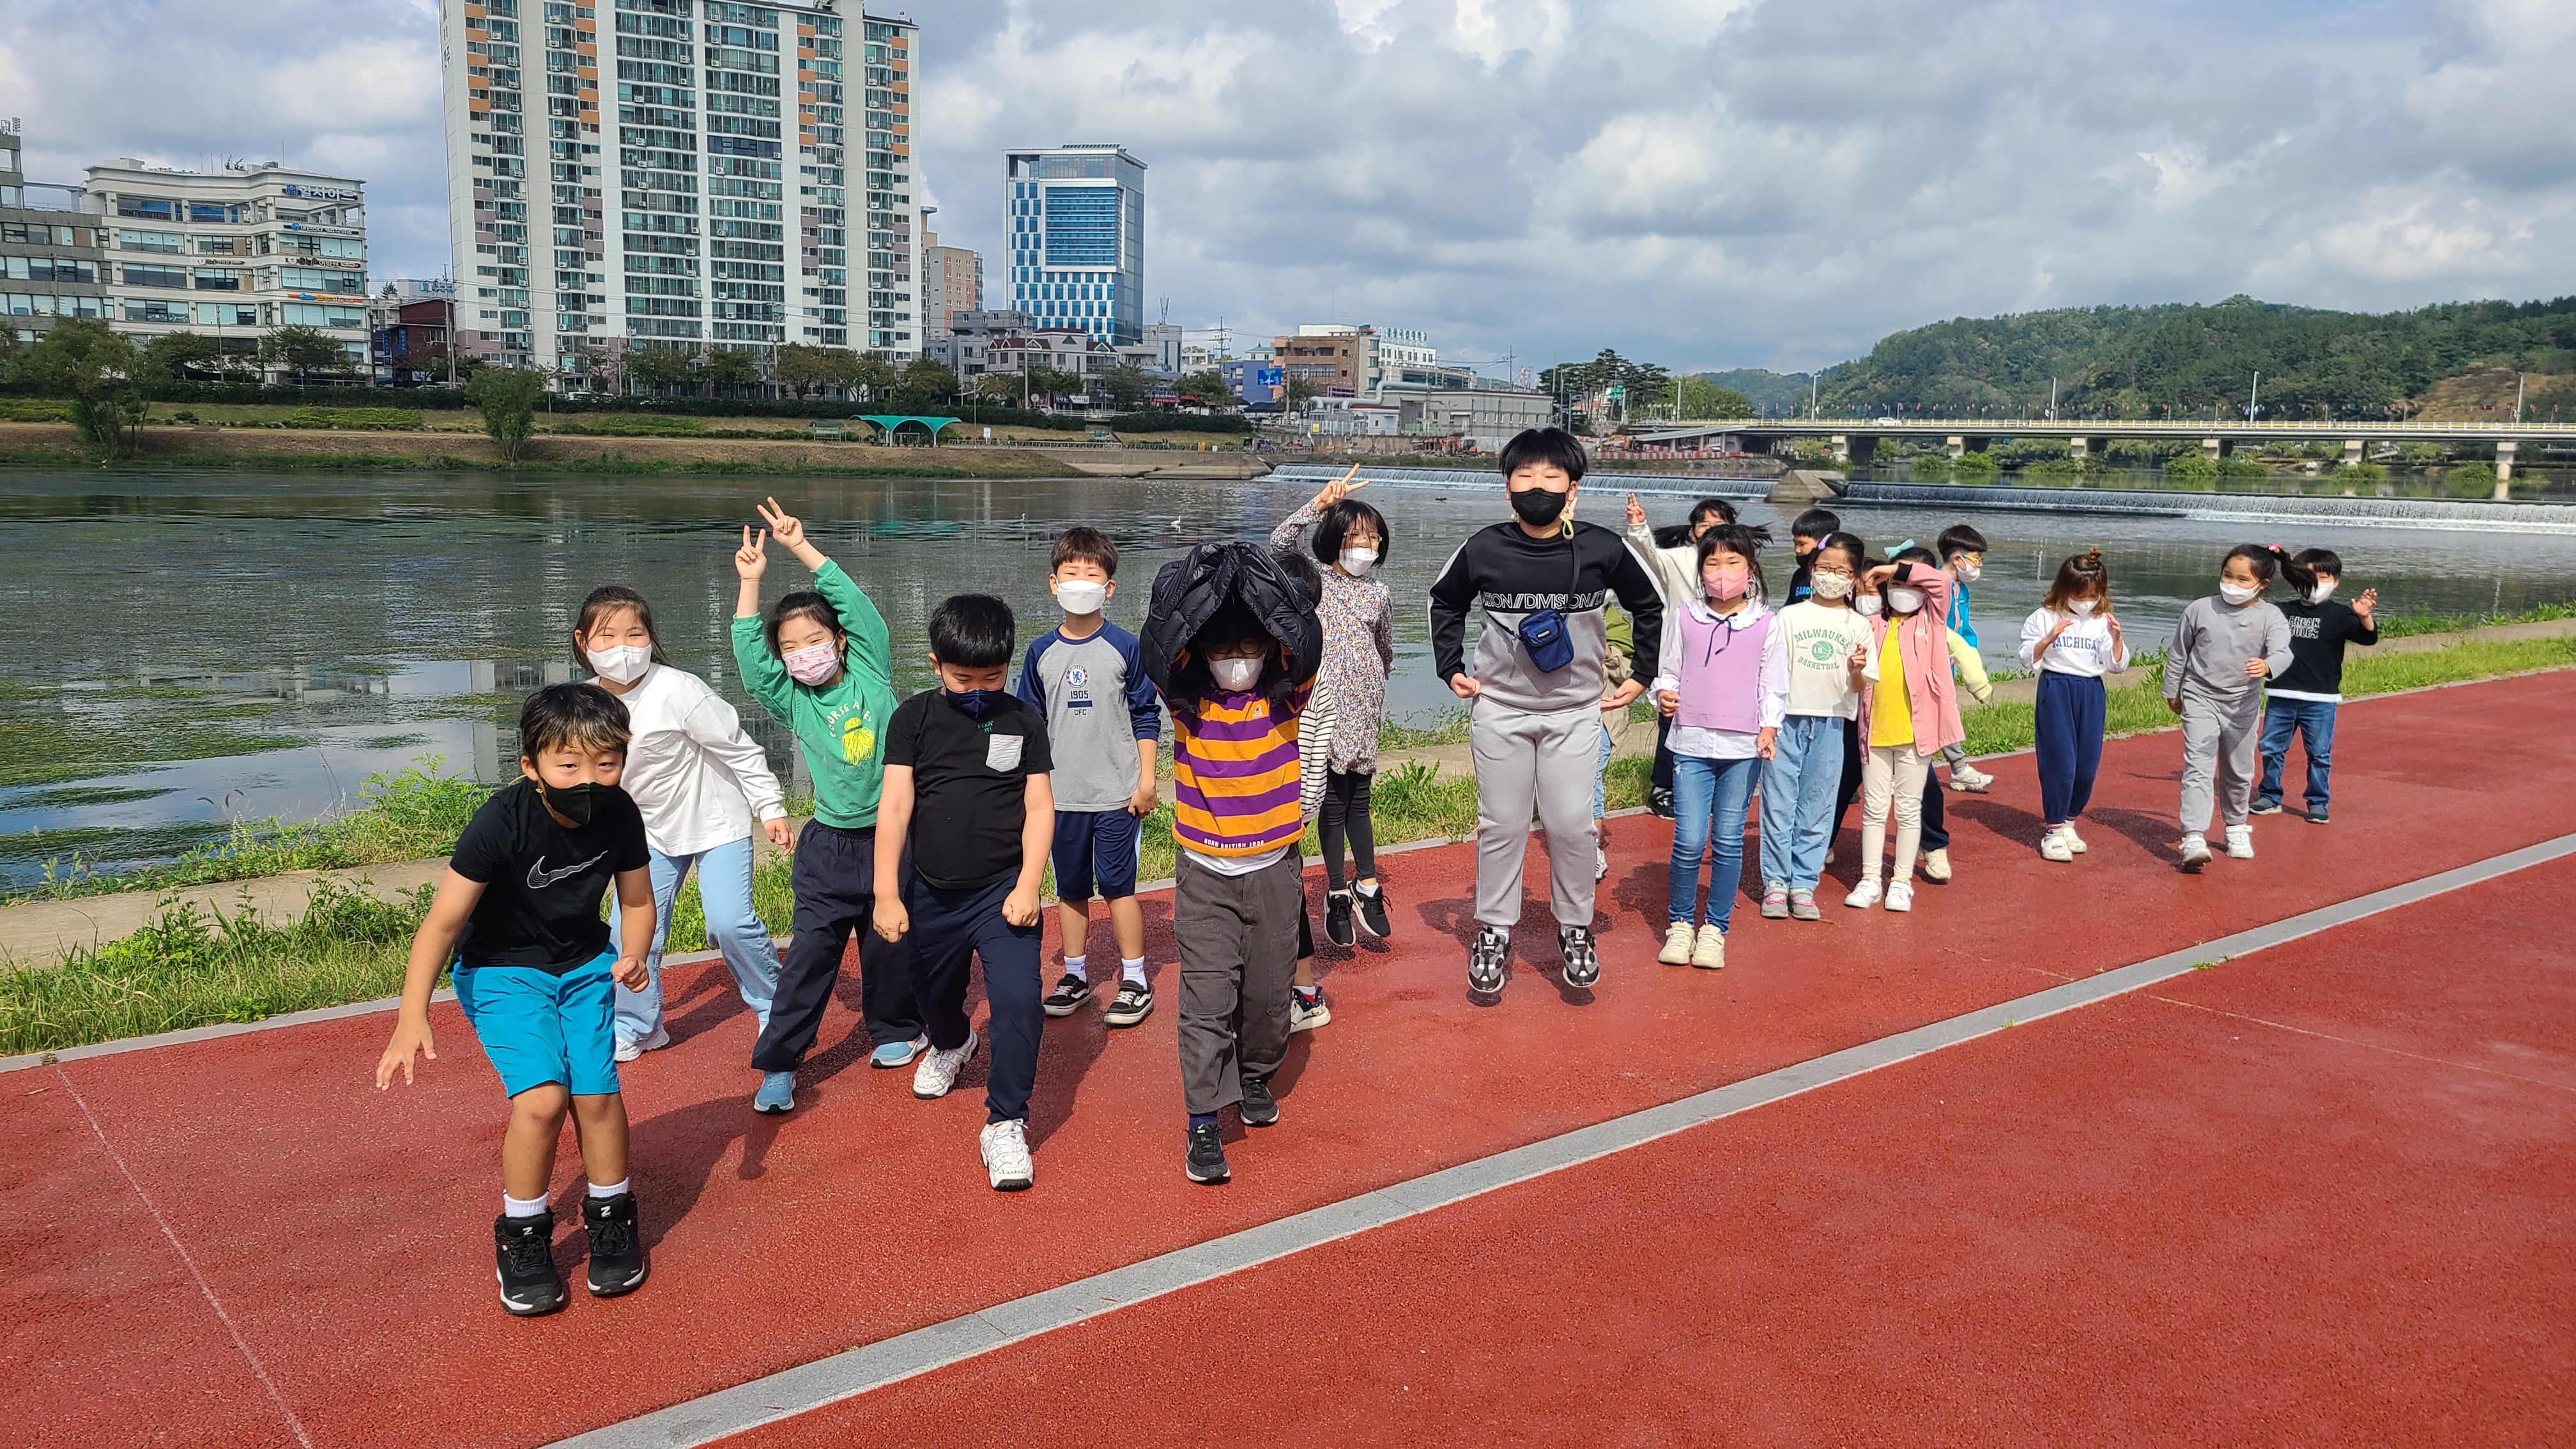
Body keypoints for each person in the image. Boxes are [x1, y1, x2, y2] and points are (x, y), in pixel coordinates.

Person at [374, 683, 655, 1317]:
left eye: (607, 763)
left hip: (586, 966)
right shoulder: (502, 820)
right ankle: (524, 1236)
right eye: (569, 765)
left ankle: (612, 1218)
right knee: (543, 1100)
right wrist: (411, 1014)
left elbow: (636, 900)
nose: (590, 778)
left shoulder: (620, 812)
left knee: (598, 1095)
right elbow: (443, 924)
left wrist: (633, 954)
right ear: (531, 766)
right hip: (501, 971)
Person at [1430, 427, 1662, 995]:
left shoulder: (1605, 549)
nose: (1538, 487)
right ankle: (1494, 929)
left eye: (1551, 477)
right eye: (1525, 476)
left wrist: (1643, 677)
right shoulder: (1483, 547)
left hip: (1575, 713)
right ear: (1507, 488)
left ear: (1573, 489)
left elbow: (1651, 605)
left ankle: (1576, 927)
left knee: (1572, 827)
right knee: (1502, 826)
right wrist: (1449, 666)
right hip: (1500, 712)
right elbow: (1445, 601)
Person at [731, 502, 924, 1117]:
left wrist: (803, 550)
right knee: (811, 956)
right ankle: (781, 1063)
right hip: (829, 847)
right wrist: (751, 582)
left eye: (815, 640)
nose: (804, 653)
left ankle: (893, 1029)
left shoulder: (872, 672)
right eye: (791, 647)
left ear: (840, 641)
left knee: (888, 944)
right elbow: (751, 662)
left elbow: (862, 612)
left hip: (892, 837)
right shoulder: (794, 701)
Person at [1140, 542, 1321, 1184]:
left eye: (1247, 651)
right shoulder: (1187, 707)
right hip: (1206, 875)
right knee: (1208, 998)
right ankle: (1203, 1121)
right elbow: (1161, 641)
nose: (1235, 663)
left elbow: (1305, 637)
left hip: (1274, 869)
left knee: (1269, 999)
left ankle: (1254, 1075)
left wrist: (1259, 572)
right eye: (1222, 652)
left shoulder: (1285, 701)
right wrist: (1202, 573)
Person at [873, 594, 1055, 1192]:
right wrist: (886, 893)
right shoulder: (914, 720)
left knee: (1020, 1002)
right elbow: (896, 807)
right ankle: (954, 1042)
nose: (978, 688)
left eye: (992, 677)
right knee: (929, 995)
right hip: (929, 891)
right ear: (935, 665)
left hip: (1004, 891)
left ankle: (1005, 1121)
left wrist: (1030, 884)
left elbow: (1037, 806)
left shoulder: (1024, 720)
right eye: (962, 678)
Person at [570, 585, 792, 1067]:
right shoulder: (582, 706)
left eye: (635, 633)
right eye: (607, 636)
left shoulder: (679, 689)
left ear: (651, 638)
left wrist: (769, 807)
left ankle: (777, 1007)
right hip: (645, 835)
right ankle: (639, 1026)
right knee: (632, 935)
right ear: (583, 642)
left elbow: (739, 748)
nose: (623, 646)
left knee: (728, 922)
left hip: (715, 821)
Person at [1022, 528, 1162, 1031]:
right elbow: (1029, 726)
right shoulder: (1040, 653)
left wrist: (1146, 781)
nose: (1081, 582)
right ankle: (1076, 976)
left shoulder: (1126, 646)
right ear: (1053, 584)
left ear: (1110, 588)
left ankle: (1135, 979)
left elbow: (1147, 715)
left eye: (1092, 575)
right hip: (1062, 799)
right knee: (1070, 889)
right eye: (1072, 574)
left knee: (1119, 887)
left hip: (1117, 795)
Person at [1270, 467, 1397, 951]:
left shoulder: (1379, 593)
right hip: (1323, 707)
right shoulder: (1315, 579)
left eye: (1373, 538)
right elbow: (1280, 546)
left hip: (1364, 706)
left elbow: (1384, 649)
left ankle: (1369, 885)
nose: (1366, 546)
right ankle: (1337, 890)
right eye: (1355, 536)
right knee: (1331, 799)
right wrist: (1319, 504)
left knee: (1359, 798)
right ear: (1334, 540)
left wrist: (1373, 686)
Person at [1652, 525, 1787, 970]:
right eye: (1713, 563)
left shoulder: (1767, 623)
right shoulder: (1685, 616)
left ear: (1750, 570)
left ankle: (1715, 929)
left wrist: (1770, 727)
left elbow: (1773, 684)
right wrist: (1664, 695)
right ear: (1701, 569)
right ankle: (1679, 924)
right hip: (1690, 742)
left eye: (1733, 562)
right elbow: (1668, 671)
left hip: (1743, 749)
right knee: (1689, 841)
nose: (1722, 572)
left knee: (1728, 842)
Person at [1759, 531, 1872, 922]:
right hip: (1786, 719)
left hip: (1831, 722)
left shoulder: (1859, 625)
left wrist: (1856, 672)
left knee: (1818, 805)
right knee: (1778, 802)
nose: (1831, 576)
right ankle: (1775, 882)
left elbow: (1860, 685)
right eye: (1824, 568)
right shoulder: (1788, 617)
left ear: (1855, 579)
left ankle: (1804, 883)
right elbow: (1771, 674)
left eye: (1841, 571)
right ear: (1811, 570)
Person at [2164, 545, 2296, 870]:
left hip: (2242, 704)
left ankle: (2236, 826)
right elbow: (2180, 652)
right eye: (2227, 576)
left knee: (2238, 771)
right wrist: (2173, 690)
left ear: (2262, 584)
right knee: (2198, 765)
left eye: (2242, 579)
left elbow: (2284, 651)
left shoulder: (2270, 616)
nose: (2232, 584)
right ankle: (2193, 836)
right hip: (2200, 697)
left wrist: (2267, 666)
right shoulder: (2200, 609)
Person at [1845, 555, 1960, 911]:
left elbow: (1941, 583)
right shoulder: (1871, 624)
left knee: (1909, 810)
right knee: (1874, 810)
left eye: (1911, 586)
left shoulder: (1932, 621)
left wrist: (1895, 569)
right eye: (1896, 586)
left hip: (1916, 734)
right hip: (1874, 731)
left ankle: (1901, 882)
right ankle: (1869, 880)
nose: (1903, 591)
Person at [1624, 494, 1748, 817]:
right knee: (1672, 715)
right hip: (1682, 651)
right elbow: (1648, 558)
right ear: (1693, 532)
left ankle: (1707, 784)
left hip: (1724, 656)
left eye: (1717, 523)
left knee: (1714, 716)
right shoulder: (1681, 558)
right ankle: (1663, 787)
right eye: (1702, 523)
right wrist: (1639, 527)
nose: (1708, 528)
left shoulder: (1741, 564)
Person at [2020, 548, 2129, 863]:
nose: (2086, 601)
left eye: (2093, 595)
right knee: (2061, 763)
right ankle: (2053, 829)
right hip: (2057, 687)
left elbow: (2117, 666)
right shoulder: (2044, 616)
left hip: (2091, 690)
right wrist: (2048, 639)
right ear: (2064, 589)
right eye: (2080, 594)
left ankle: (2069, 820)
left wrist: (2118, 639)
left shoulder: (2102, 621)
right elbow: (2027, 657)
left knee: (2086, 767)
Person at [2256, 548, 2378, 824]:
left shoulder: (2340, 615)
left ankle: (2318, 801)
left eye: (2323, 577)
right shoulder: (2281, 611)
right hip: (2281, 694)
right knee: (2272, 748)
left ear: (2335, 582)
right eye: (2309, 576)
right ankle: (2269, 796)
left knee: (2319, 753)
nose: (2315, 583)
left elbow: (2369, 639)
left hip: (2321, 699)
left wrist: (2363, 616)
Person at [1934, 525, 1997, 794]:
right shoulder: (1935, 584)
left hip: (1948, 666)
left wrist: (1972, 662)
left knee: (1944, 715)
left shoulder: (1961, 590)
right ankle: (1959, 768)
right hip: (1929, 664)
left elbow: (1965, 630)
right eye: (1976, 559)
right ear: (1957, 558)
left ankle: (1959, 768)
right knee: (1940, 715)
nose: (1978, 565)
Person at [1785, 507, 1844, 604]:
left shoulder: (1839, 578)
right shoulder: (1800, 575)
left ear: (1824, 543)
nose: (1797, 550)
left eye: (1802, 544)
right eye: (1795, 544)